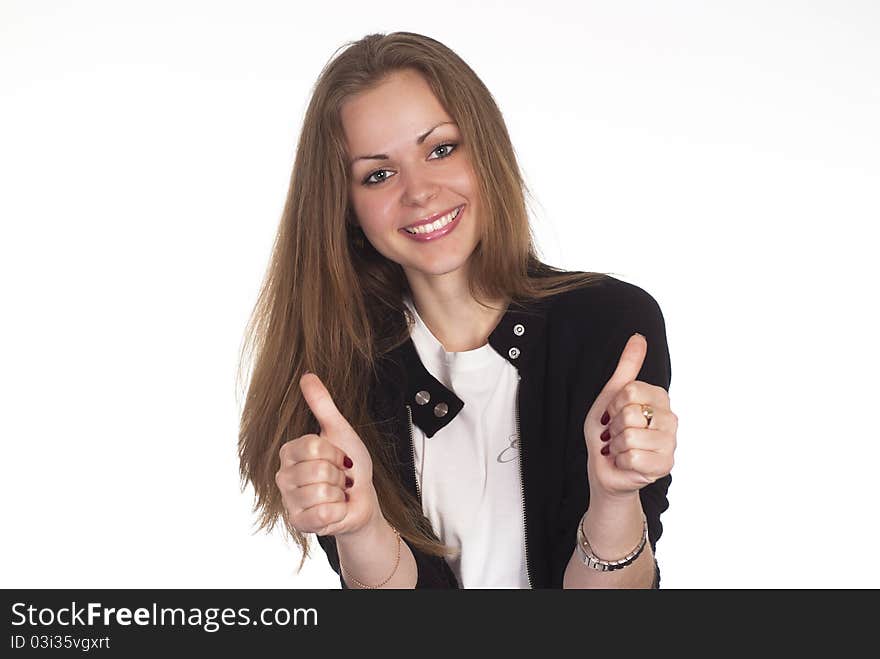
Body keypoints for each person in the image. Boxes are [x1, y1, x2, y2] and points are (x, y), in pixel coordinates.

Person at [237, 31, 678, 588]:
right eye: (378, 173)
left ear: (485, 150)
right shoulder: (331, 380)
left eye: (440, 148)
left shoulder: (608, 325)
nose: (419, 192)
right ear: (346, 209)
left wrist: (616, 496)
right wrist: (360, 528)